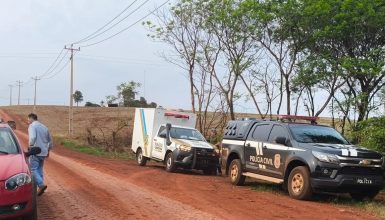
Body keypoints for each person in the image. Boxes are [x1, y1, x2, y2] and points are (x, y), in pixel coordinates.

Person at [27, 113, 53, 196]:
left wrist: (30, 146)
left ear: (31, 118)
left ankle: (41, 185)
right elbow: (50, 140)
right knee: (40, 169)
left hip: (35, 151)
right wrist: (48, 150)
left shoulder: (32, 126)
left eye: (28, 119)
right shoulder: (44, 127)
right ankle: (41, 187)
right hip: (44, 152)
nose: (28, 121)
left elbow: (33, 137)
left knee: (33, 169)